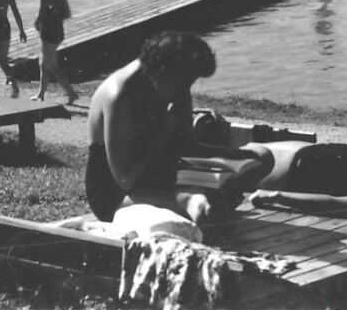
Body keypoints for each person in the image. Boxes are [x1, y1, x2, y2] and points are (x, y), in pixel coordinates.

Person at [86, 32, 260, 223]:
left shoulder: (173, 83)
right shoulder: (120, 95)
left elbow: (187, 146)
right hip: (115, 195)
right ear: (164, 71)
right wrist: (163, 129)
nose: (186, 90)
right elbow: (126, 179)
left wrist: (232, 155)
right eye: (185, 82)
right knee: (199, 203)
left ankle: (205, 202)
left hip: (161, 179)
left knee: (260, 160)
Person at [34, 0, 77, 104]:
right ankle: (41, 94)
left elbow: (40, 16)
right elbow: (67, 14)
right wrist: (54, 13)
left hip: (47, 33)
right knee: (45, 63)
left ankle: (70, 92)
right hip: (58, 32)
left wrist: (37, 24)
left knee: (50, 65)